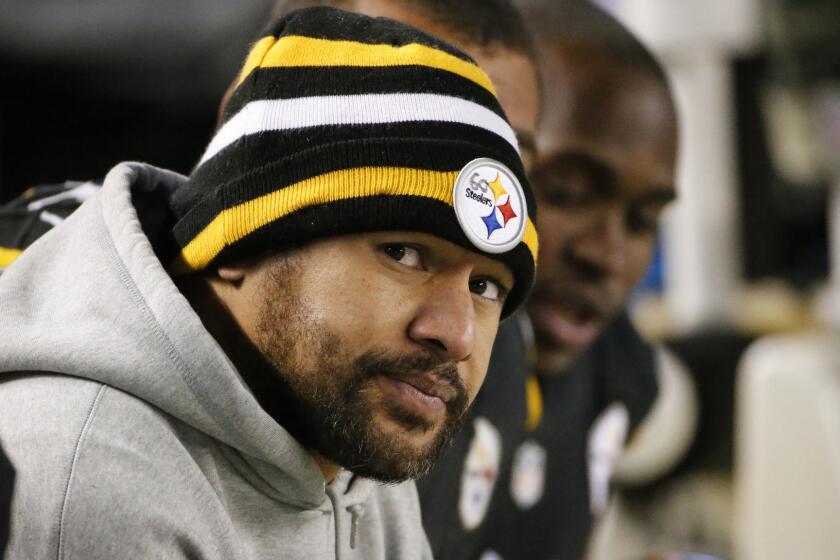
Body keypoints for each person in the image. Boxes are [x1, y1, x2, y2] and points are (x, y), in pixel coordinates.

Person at [0, 6, 538, 558]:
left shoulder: (348, 424)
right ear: (239, 243)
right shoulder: (93, 479)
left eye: (486, 288)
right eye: (403, 254)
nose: (455, 335)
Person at [477, 1, 680, 558]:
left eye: (644, 219)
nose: (608, 256)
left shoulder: (619, 374)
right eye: (565, 191)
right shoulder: (390, 385)